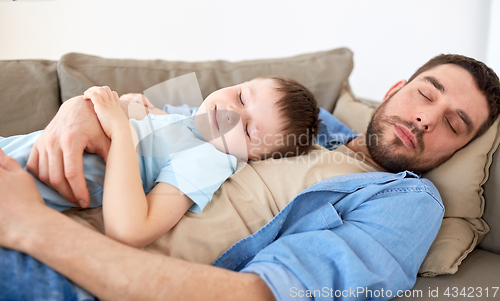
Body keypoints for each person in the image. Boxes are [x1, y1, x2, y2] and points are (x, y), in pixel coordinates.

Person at [1, 54, 499, 300]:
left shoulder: (406, 201)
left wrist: (35, 228)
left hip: (76, 267)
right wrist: (76, 111)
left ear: (460, 148)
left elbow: (259, 295)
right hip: (44, 190)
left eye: (455, 125)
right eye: (425, 95)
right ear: (395, 89)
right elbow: (168, 120)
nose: (426, 120)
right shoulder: (307, 119)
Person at [0, 76, 320, 248]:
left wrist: (120, 128)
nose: (230, 114)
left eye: (249, 131)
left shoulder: (209, 159)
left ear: (255, 157)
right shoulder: (185, 116)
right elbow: (130, 111)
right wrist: (128, 104)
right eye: (240, 97)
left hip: (23, 183)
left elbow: (129, 231)